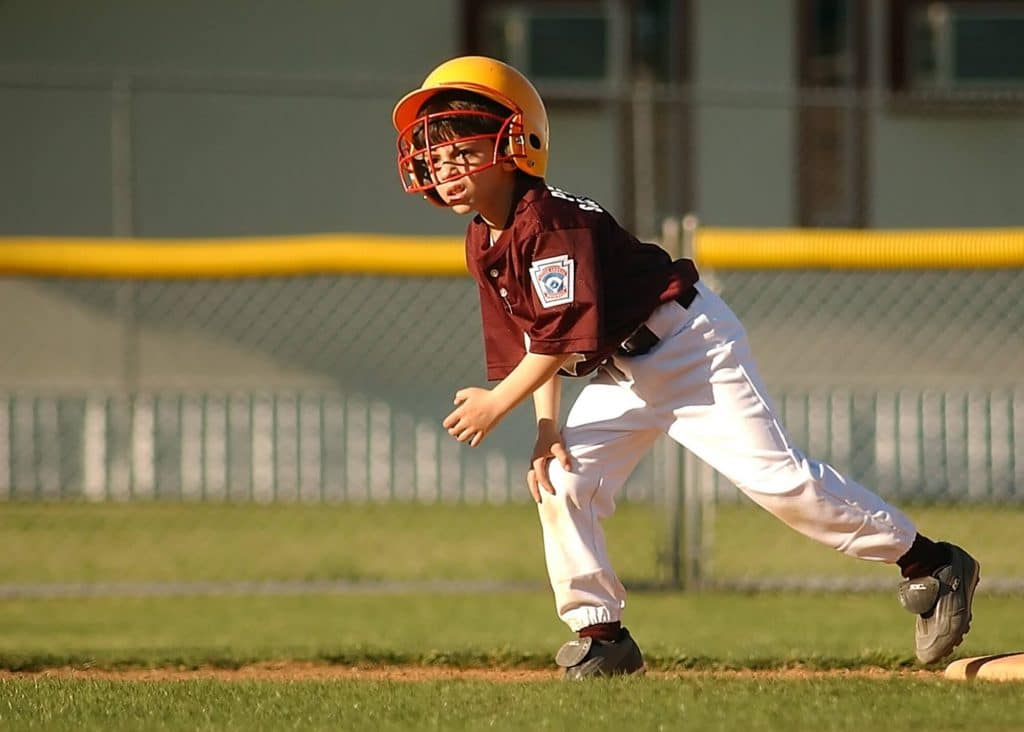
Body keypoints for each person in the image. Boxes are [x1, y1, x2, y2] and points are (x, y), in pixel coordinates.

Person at [391, 56, 980, 679]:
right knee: (562, 481)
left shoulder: (550, 220)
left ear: (516, 142)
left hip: (688, 346)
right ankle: (602, 636)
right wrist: (544, 429)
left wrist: (496, 403)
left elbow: (560, 339)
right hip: (619, 370)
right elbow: (538, 337)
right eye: (435, 154)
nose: (444, 167)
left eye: (461, 149)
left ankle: (932, 563)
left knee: (780, 484)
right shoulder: (484, 239)